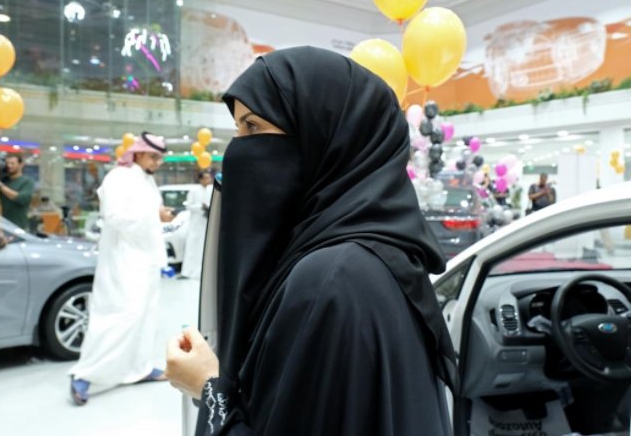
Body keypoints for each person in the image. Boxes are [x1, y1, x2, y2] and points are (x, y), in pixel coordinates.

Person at [165, 47, 457, 435]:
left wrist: (208, 387)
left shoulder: (329, 281)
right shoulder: (379, 256)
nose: (237, 152)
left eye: (252, 128)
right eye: (237, 130)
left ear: (322, 138)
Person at [69, 132, 176, 405]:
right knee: (120, 317)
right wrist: (155, 216)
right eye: (154, 156)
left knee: (145, 317)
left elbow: (153, 216)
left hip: (146, 260)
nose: (158, 162)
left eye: (160, 157)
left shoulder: (146, 180)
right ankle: (84, 374)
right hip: (123, 261)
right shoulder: (118, 177)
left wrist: (163, 218)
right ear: (138, 153)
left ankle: (139, 369)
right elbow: (113, 217)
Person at [180, 169, 215, 279]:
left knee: (204, 247)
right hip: (195, 224)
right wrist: (201, 207)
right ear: (200, 179)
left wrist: (209, 208)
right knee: (192, 248)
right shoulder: (193, 191)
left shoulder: (211, 190)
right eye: (205, 178)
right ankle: (188, 272)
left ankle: (203, 272)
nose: (208, 180)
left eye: (209, 178)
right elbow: (188, 206)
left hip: (206, 223)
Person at [0, 154, 35, 230]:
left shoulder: (27, 182)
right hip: (2, 226)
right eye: (7, 163)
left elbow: (21, 199)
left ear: (21, 165)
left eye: (12, 163)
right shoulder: (4, 181)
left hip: (19, 226)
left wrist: (0, 185)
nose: (9, 166)